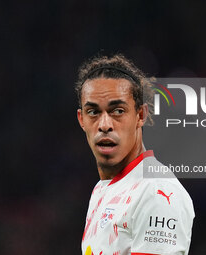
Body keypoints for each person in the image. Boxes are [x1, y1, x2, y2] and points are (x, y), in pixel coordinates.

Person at [75, 54, 195, 255]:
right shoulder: (103, 189)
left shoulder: (157, 192)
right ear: (81, 119)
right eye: (93, 112)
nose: (105, 125)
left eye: (118, 111)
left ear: (140, 115)